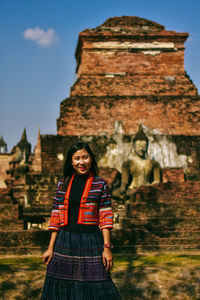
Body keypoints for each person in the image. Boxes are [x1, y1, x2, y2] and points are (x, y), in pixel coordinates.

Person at [41, 142, 121, 300]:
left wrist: (107, 248)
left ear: (91, 159)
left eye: (85, 157)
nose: (81, 162)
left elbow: (105, 217)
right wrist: (50, 248)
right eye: (77, 158)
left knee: (99, 285)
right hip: (65, 241)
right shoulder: (62, 185)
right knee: (61, 288)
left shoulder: (100, 185)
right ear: (71, 162)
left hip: (91, 241)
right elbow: (56, 217)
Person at [112, 127, 160, 198]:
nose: (141, 148)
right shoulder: (127, 164)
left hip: (147, 189)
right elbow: (124, 181)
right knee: (114, 193)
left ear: (147, 146)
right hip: (132, 189)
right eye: (138, 146)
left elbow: (157, 182)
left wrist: (150, 187)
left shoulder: (154, 164)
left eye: (144, 146)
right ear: (133, 146)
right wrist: (123, 187)